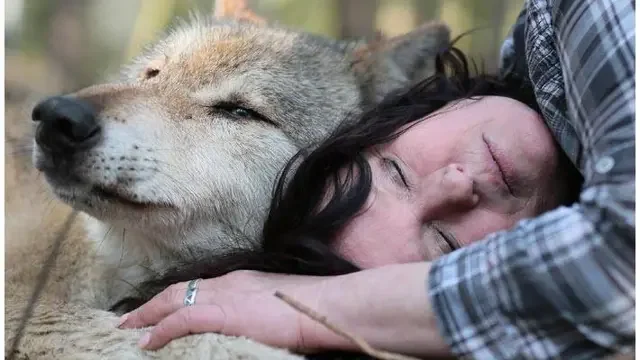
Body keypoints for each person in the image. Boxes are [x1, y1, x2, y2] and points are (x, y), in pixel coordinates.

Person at [119, 0, 635, 359]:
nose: (455, 187)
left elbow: (621, 258)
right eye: (447, 243)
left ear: (391, 114)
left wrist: (315, 308)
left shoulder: (580, 20)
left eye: (396, 172)